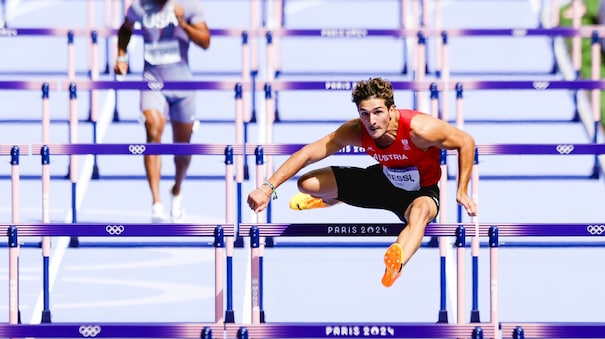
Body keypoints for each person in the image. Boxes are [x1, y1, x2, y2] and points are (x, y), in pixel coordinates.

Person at [247, 77, 478, 287]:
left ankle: (394, 266)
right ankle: (331, 199)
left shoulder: (420, 129)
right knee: (307, 184)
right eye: (364, 113)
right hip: (382, 180)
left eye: (378, 112)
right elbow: (309, 153)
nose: (372, 121)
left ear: (391, 109)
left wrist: (462, 190)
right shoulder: (357, 130)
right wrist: (268, 188)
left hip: (420, 192)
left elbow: (466, 141)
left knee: (420, 214)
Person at [114, 0, 210, 222]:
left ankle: (176, 190)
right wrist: (121, 56)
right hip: (152, 82)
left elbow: (206, 42)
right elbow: (125, 29)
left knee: (182, 149)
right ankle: (156, 202)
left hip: (183, 86)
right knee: (152, 129)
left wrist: (184, 24)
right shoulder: (138, 6)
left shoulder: (189, 5)